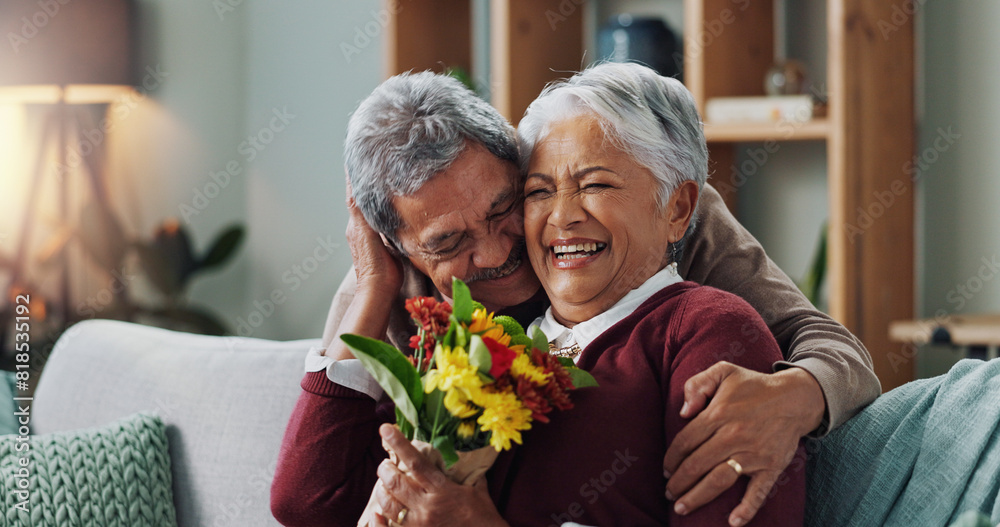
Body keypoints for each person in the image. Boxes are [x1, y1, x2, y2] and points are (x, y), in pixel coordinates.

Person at [271, 69, 879, 526]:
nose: (496, 250)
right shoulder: (400, 293)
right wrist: (374, 289)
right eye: (451, 241)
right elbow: (310, 503)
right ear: (401, 249)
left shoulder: (680, 252)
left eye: (506, 205)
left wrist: (797, 394)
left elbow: (815, 338)